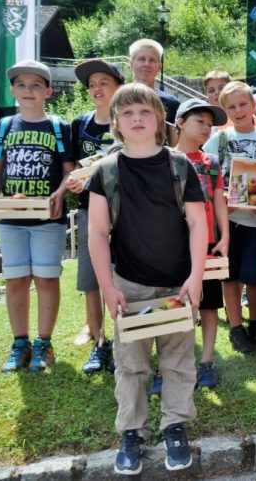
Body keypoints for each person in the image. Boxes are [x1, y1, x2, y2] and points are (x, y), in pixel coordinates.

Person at [87, 83, 207, 475]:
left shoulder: (179, 165)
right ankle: (132, 433)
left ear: (159, 119)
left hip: (177, 286)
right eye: (127, 113)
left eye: (144, 111)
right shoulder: (105, 171)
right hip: (130, 286)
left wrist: (196, 276)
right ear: (117, 123)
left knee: (178, 363)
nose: (136, 119)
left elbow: (197, 223)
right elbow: (96, 235)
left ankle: (174, 426)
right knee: (131, 366)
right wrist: (108, 288)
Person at [0, 60, 74, 373]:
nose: (28, 91)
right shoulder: (3, 128)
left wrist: (60, 193)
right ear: (12, 91)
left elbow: (69, 171)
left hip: (47, 219)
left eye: (36, 85)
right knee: (15, 280)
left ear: (48, 90)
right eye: (21, 85)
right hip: (11, 219)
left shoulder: (60, 128)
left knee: (47, 279)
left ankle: (44, 344)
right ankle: (19, 343)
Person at [203, 81, 256, 355]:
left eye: (242, 104)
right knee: (230, 275)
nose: (238, 110)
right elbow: (206, 176)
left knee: (253, 274)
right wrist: (221, 196)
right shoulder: (219, 140)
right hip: (226, 221)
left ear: (253, 105)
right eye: (231, 106)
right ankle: (236, 328)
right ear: (223, 109)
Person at [68, 59, 124, 373]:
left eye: (104, 82)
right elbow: (73, 170)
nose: (96, 88)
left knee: (121, 278)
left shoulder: (131, 120)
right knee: (91, 280)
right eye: (91, 84)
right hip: (91, 211)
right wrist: (74, 180)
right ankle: (99, 343)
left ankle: (121, 342)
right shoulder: (80, 124)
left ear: (118, 85)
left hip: (126, 215)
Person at [175, 98, 229, 390]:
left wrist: (225, 235)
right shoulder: (165, 158)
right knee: (176, 305)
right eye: (200, 122)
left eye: (210, 124)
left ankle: (206, 362)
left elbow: (219, 199)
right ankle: (172, 364)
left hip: (207, 244)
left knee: (209, 305)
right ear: (180, 123)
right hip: (172, 247)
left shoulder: (212, 162)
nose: (207, 128)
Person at [128, 38, 180, 125]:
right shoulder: (118, 99)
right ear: (131, 64)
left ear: (159, 67)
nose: (146, 64)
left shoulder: (172, 104)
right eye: (141, 59)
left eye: (152, 60)